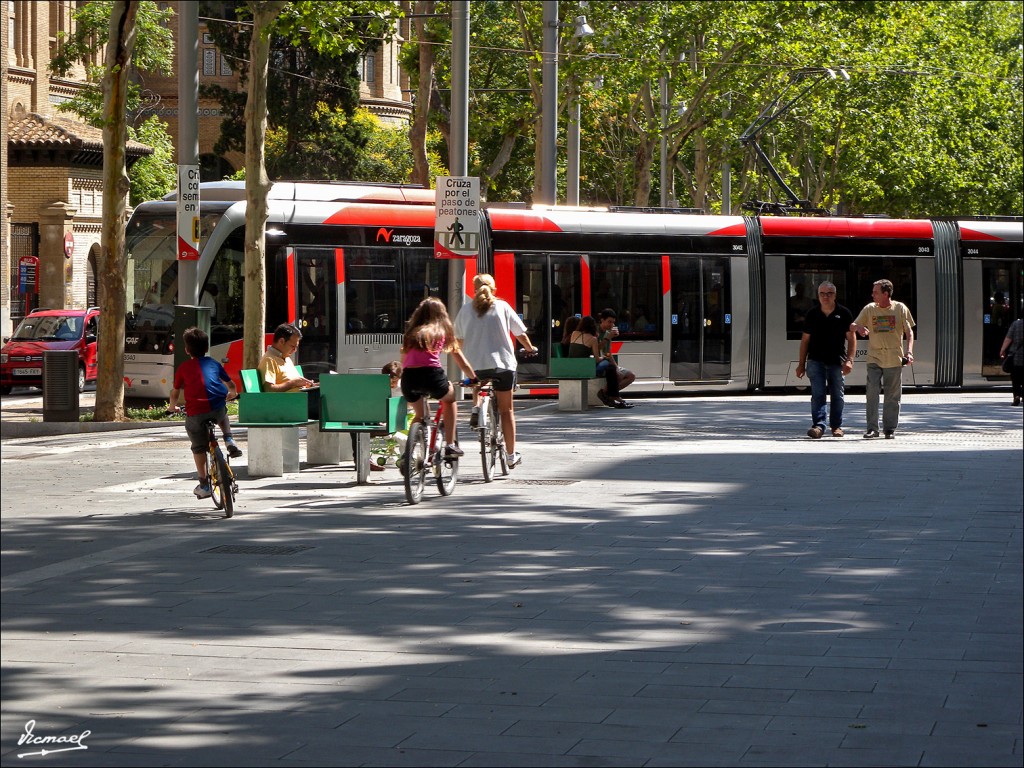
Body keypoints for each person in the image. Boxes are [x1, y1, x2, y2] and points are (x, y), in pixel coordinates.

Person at [455, 273, 538, 469]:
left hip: (474, 366)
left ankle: (477, 408)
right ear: (494, 289)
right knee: (506, 411)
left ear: (473, 290)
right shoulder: (502, 306)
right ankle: (510, 455)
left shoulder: (465, 310)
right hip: (503, 365)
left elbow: (457, 340)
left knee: (477, 379)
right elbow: (520, 334)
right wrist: (530, 348)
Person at [168, 327, 241, 499]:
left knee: (198, 446)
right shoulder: (214, 363)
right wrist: (232, 394)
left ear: (187, 350)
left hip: (196, 413)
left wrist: (172, 408)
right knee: (222, 413)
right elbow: (231, 385)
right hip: (216, 405)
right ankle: (229, 439)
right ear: (207, 348)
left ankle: (204, 484)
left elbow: (175, 393)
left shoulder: (183, 368)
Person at [401, 297, 476, 457]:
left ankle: (407, 455)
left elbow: (404, 362)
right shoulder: (442, 332)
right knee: (450, 400)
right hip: (432, 375)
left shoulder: (410, 334)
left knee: (419, 415)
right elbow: (461, 361)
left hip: (409, 378)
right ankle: (450, 445)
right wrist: (473, 378)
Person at [852, 279, 916, 439]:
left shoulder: (900, 309)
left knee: (892, 395)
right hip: (874, 357)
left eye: (875, 292)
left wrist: (909, 352)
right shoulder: (869, 309)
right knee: (872, 392)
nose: (872, 295)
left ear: (885, 294)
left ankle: (889, 429)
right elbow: (852, 325)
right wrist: (858, 327)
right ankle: (872, 428)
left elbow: (909, 333)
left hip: (894, 358)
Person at [795, 281, 856, 438]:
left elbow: (851, 338)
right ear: (818, 295)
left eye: (829, 293)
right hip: (815, 360)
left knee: (838, 395)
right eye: (822, 293)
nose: (825, 297)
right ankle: (819, 426)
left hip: (837, 361)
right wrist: (801, 364)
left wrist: (849, 360)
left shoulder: (844, 313)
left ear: (835, 295)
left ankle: (836, 426)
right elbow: (805, 341)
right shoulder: (812, 314)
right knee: (818, 394)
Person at [258, 323, 318, 418]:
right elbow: (269, 390)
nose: (294, 350)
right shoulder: (269, 360)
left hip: (300, 401)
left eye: (296, 347)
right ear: (281, 341)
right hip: (288, 405)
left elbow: (297, 382)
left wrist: (313, 385)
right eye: (292, 346)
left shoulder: (286, 358)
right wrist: (292, 383)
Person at [567, 315, 624, 408]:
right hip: (585, 369)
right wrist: (605, 358)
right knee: (610, 366)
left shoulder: (574, 333)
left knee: (610, 368)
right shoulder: (593, 339)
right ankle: (611, 395)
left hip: (572, 367)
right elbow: (597, 359)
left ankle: (611, 395)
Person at [369, 361, 407, 471]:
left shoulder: (404, 387)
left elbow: (409, 404)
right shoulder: (381, 388)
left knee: (403, 436)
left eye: (394, 381)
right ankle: (392, 453)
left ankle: (406, 457)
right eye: (388, 381)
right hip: (386, 416)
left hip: (404, 415)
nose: (391, 384)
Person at [597, 308, 636, 407]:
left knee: (631, 376)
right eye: (609, 322)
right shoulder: (597, 332)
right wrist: (608, 337)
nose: (611, 325)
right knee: (617, 374)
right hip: (599, 361)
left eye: (613, 322)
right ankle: (612, 395)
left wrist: (616, 366)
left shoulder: (608, 332)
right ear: (602, 320)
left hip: (606, 360)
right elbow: (596, 349)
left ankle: (606, 393)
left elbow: (608, 353)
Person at [999, 316, 1024, 406]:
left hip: (1017, 356)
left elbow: (1008, 339)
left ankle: (1016, 396)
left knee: (1016, 378)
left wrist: (1002, 350)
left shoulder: (1016, 324)